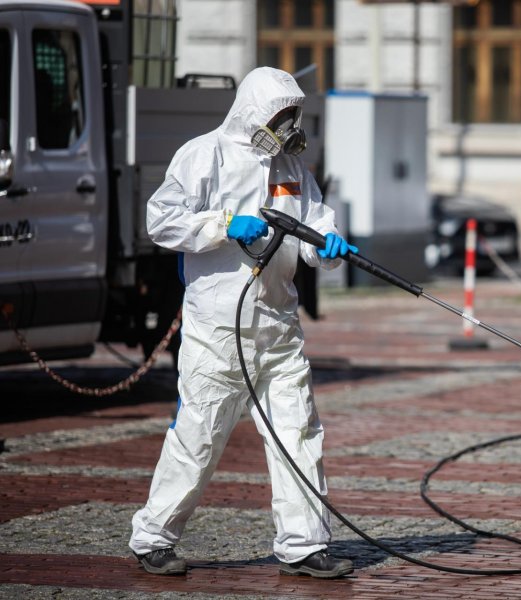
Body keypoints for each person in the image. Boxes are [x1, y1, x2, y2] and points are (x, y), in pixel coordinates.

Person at [129, 67, 356, 579]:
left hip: (278, 326)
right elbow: (161, 220)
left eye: (294, 115)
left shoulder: (292, 166)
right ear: (255, 112)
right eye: (282, 115)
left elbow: (315, 223)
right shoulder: (203, 154)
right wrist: (222, 224)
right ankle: (153, 538)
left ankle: (303, 545)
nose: (289, 125)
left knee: (298, 434)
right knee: (199, 437)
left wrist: (329, 244)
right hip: (217, 331)